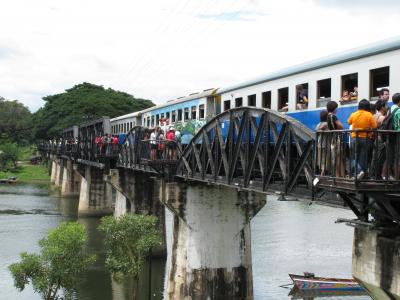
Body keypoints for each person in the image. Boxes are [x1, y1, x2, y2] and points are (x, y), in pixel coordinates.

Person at [347, 99, 377, 179]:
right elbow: (374, 127)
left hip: (354, 137)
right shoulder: (369, 115)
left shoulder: (353, 114)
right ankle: (361, 174)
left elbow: (349, 122)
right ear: (367, 106)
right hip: (365, 139)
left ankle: (357, 173)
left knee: (354, 156)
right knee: (363, 158)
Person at [326, 101, 345, 177]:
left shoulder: (328, 116)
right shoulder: (333, 116)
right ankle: (342, 176)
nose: (337, 109)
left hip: (331, 139)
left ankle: (337, 175)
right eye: (336, 108)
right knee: (339, 158)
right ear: (333, 108)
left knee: (336, 158)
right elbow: (341, 126)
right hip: (336, 138)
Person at [315, 110, 329, 175]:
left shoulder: (318, 124)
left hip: (319, 144)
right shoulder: (327, 124)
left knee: (321, 160)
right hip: (326, 144)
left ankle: (322, 173)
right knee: (326, 160)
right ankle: (323, 173)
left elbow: (316, 132)